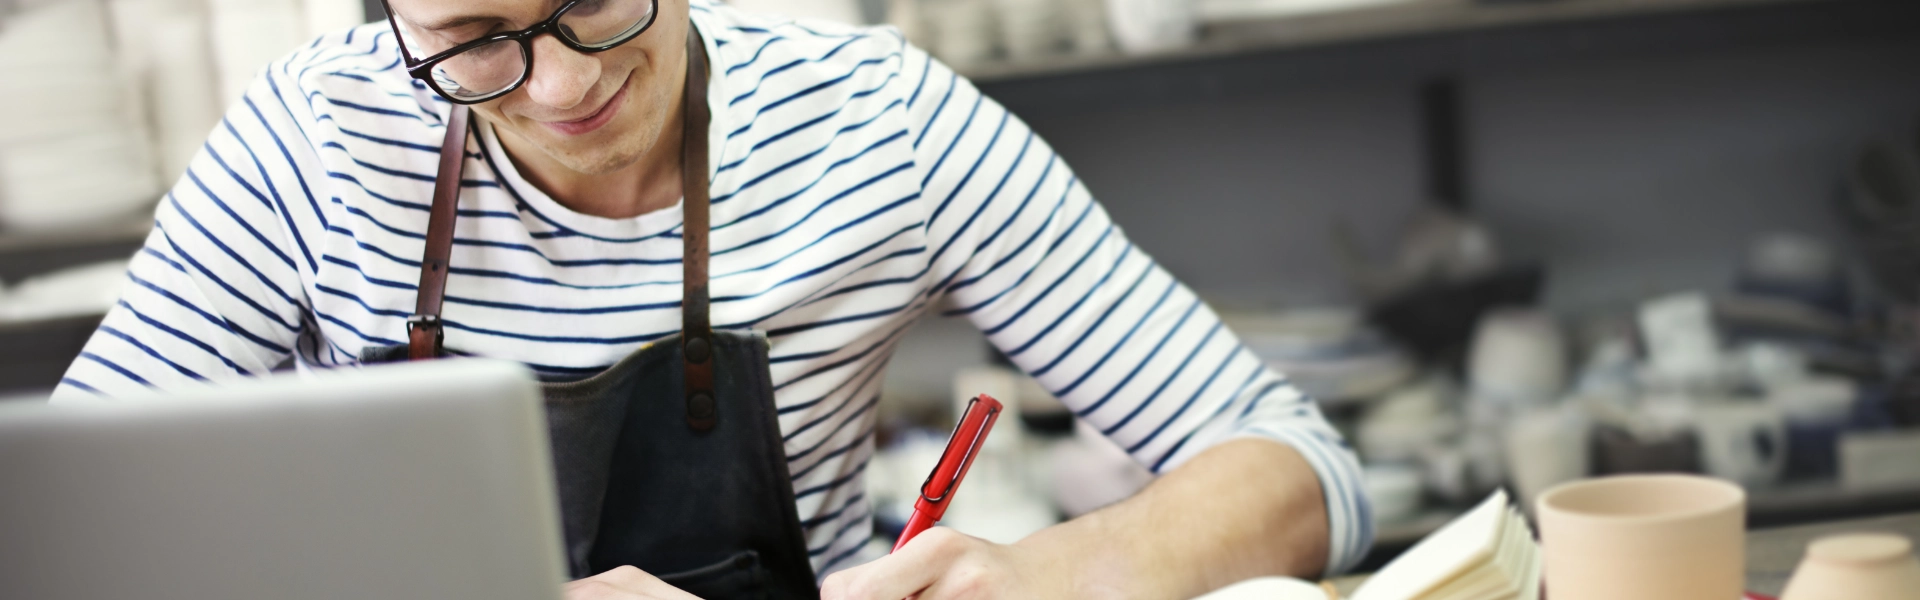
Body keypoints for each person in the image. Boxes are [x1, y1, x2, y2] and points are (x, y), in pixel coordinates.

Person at [54, 0, 1372, 597]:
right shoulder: (311, 147)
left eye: (591, 5)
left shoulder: (879, 122)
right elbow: (67, 549)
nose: (562, 87)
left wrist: (1058, 573)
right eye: (475, 43)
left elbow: (1303, 466)